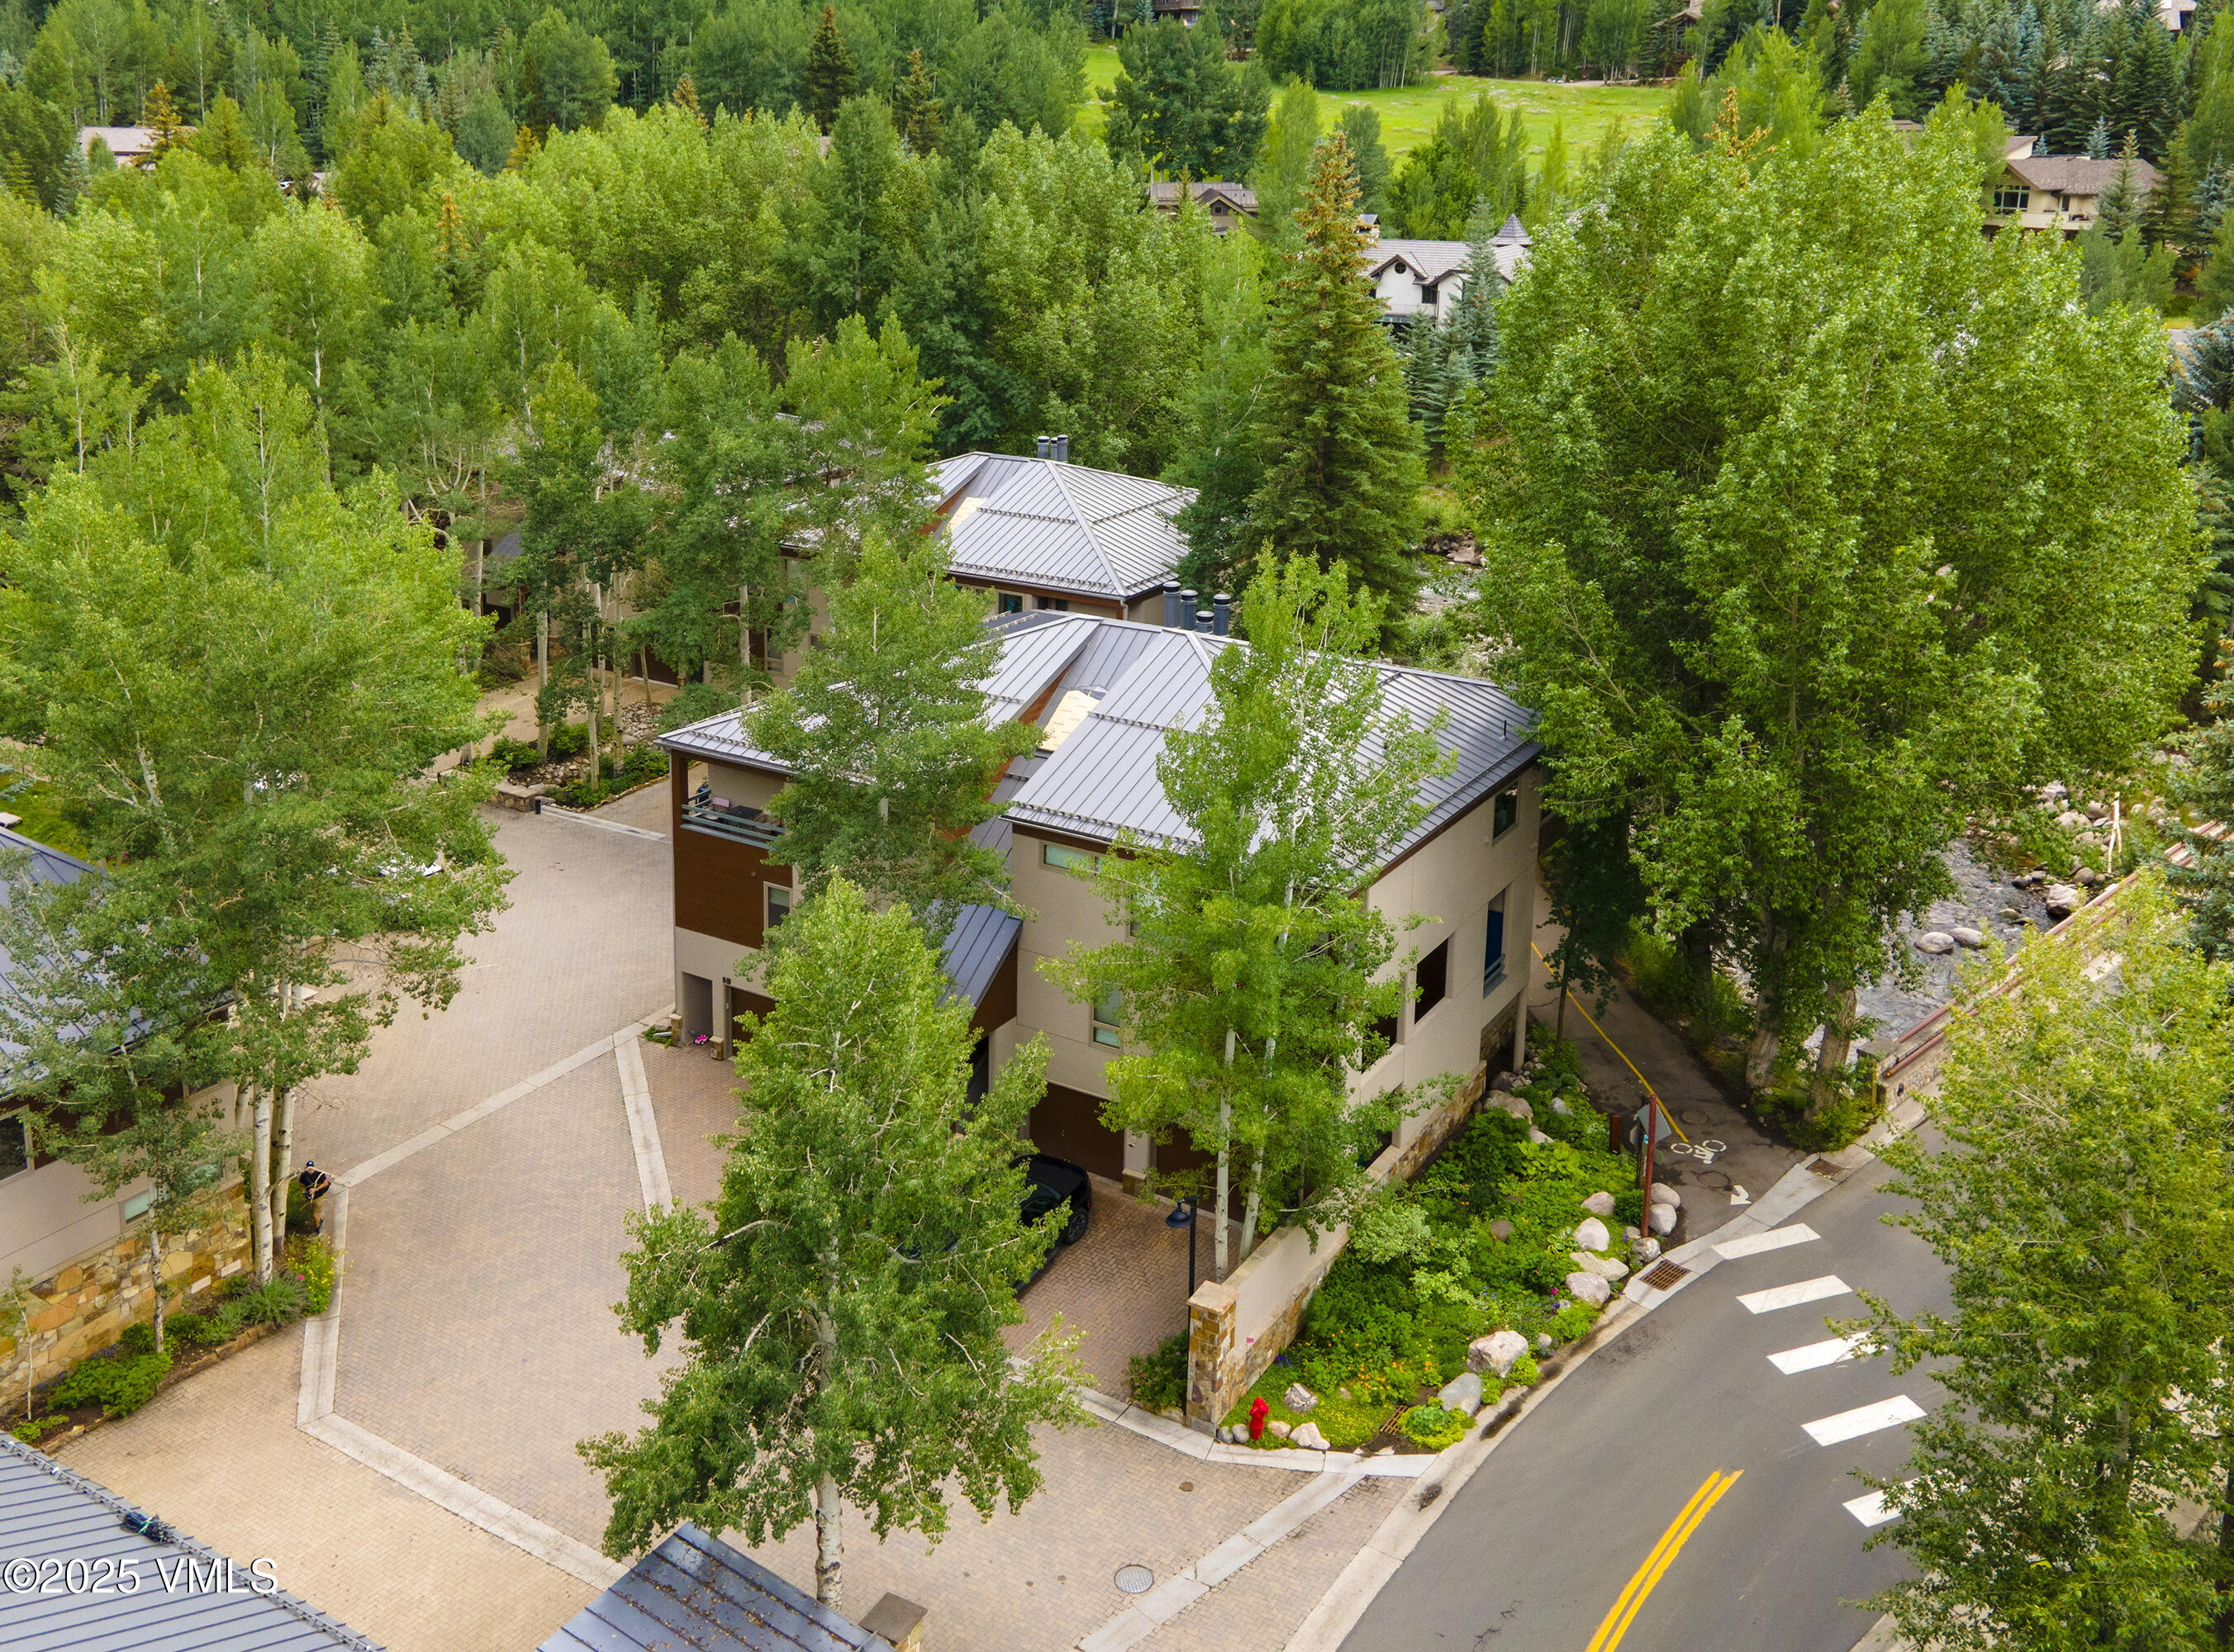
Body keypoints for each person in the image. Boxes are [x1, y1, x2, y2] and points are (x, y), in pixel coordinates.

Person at [297, 1161, 332, 1236]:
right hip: (309, 1197)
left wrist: (316, 1189)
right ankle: (316, 1223)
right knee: (310, 1212)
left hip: (318, 1196)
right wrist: (303, 1190)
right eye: (309, 1169)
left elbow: (326, 1183)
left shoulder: (319, 1174)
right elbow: (301, 1184)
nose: (310, 1170)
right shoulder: (304, 1175)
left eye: (311, 1169)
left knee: (316, 1214)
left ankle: (317, 1228)